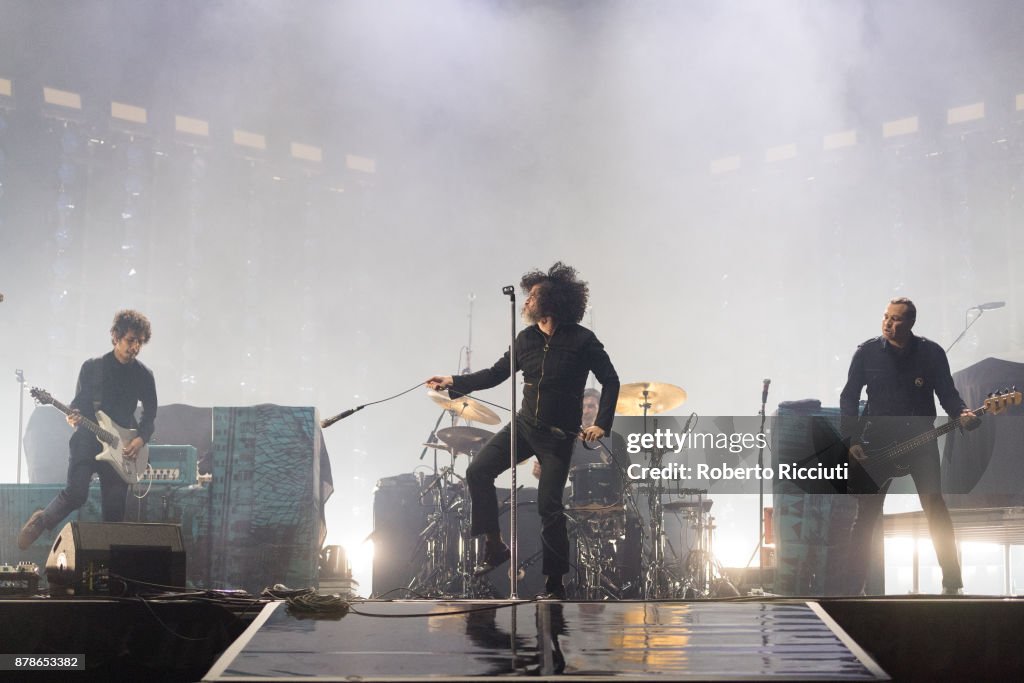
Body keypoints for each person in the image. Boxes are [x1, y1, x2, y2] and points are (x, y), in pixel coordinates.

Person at [426, 262, 619, 600]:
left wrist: (602, 422)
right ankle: (495, 545)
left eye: (533, 296)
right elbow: (495, 374)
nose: (527, 302)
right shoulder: (526, 339)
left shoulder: (582, 340)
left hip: (558, 437)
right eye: (527, 297)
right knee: (477, 471)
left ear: (553, 301)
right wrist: (453, 382)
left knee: (550, 507)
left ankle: (554, 584)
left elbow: (611, 380)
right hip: (525, 426)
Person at [840, 297, 974, 595]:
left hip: (920, 441)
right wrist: (852, 440)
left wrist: (962, 413)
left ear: (911, 323)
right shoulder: (866, 352)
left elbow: (948, 394)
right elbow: (849, 397)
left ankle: (953, 584)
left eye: (896, 319)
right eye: (886, 317)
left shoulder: (932, 353)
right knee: (866, 516)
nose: (888, 323)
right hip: (876, 443)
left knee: (935, 507)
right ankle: (850, 590)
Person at [18, 310, 157, 549]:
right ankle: (41, 520)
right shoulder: (94, 367)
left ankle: (111, 573)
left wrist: (140, 440)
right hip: (88, 438)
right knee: (77, 494)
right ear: (115, 336)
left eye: (139, 342)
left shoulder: (144, 375)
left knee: (114, 513)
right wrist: (73, 417)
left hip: (121, 448)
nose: (135, 347)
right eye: (130, 340)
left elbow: (150, 413)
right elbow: (79, 405)